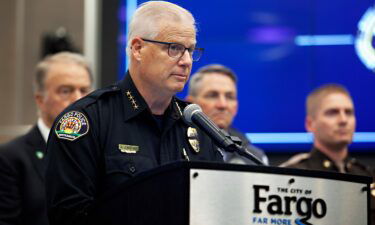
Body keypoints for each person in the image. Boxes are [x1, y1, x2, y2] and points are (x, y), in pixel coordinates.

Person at [44, 2, 223, 225]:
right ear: (137, 48)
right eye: (174, 48)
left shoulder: (196, 126)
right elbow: (69, 216)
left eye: (190, 50)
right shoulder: (88, 120)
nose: (186, 61)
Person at [0, 52, 93, 225]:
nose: (78, 99)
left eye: (84, 90)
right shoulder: (11, 158)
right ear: (40, 100)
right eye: (66, 91)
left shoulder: (100, 150)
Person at [280, 84, 374, 224]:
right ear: (310, 124)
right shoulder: (291, 177)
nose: (343, 120)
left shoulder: (368, 175)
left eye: (348, 112)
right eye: (332, 112)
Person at [186, 64, 268, 165]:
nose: (223, 105)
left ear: (236, 106)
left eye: (230, 97)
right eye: (212, 95)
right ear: (190, 103)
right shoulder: (176, 147)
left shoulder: (255, 157)